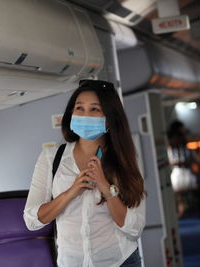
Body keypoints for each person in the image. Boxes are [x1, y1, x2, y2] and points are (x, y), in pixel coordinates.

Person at [24, 80, 146, 267]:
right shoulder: (51, 158)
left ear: (109, 118)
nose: (85, 114)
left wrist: (106, 188)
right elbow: (32, 220)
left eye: (95, 109)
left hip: (120, 261)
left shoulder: (124, 159)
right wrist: (70, 193)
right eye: (79, 108)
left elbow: (134, 230)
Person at [167, 120, 200, 217]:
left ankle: (189, 206)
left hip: (186, 170)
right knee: (176, 186)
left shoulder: (187, 149)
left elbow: (197, 161)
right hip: (177, 171)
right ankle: (181, 208)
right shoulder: (170, 150)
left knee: (190, 182)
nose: (177, 140)